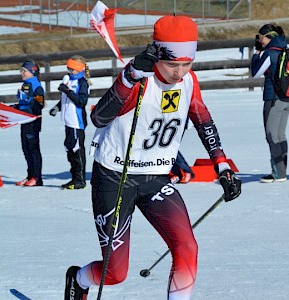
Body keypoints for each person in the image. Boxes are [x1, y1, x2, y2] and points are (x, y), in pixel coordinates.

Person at [64, 15, 241, 300]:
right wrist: (129, 76)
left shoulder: (189, 81)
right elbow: (98, 117)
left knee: (187, 247)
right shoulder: (137, 79)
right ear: (156, 54)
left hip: (155, 179)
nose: (179, 72)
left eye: (187, 63)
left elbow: (203, 120)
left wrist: (222, 164)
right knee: (115, 273)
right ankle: (79, 278)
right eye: (172, 63)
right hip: (115, 178)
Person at [250, 24, 289, 183]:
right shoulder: (284, 50)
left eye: (261, 38)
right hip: (287, 99)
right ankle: (282, 171)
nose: (260, 41)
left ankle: (278, 173)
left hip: (273, 99)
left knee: (271, 135)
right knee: (280, 135)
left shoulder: (270, 53)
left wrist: (256, 54)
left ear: (270, 37)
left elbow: (255, 73)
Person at [49, 55, 91, 190]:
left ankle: (80, 180)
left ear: (78, 69)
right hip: (67, 121)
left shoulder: (82, 83)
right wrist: (57, 107)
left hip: (76, 122)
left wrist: (67, 91)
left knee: (76, 149)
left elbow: (81, 101)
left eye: (71, 69)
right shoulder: (68, 80)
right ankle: (74, 178)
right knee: (69, 148)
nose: (69, 71)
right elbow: (65, 99)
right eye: (68, 68)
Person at [14, 60, 45, 187]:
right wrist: (14, 107)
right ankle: (30, 175)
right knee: (25, 148)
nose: (22, 73)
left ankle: (37, 177)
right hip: (24, 121)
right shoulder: (25, 85)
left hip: (33, 122)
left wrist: (29, 100)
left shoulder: (37, 86)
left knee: (33, 149)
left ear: (32, 72)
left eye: (24, 71)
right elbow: (23, 104)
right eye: (21, 71)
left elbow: (40, 104)